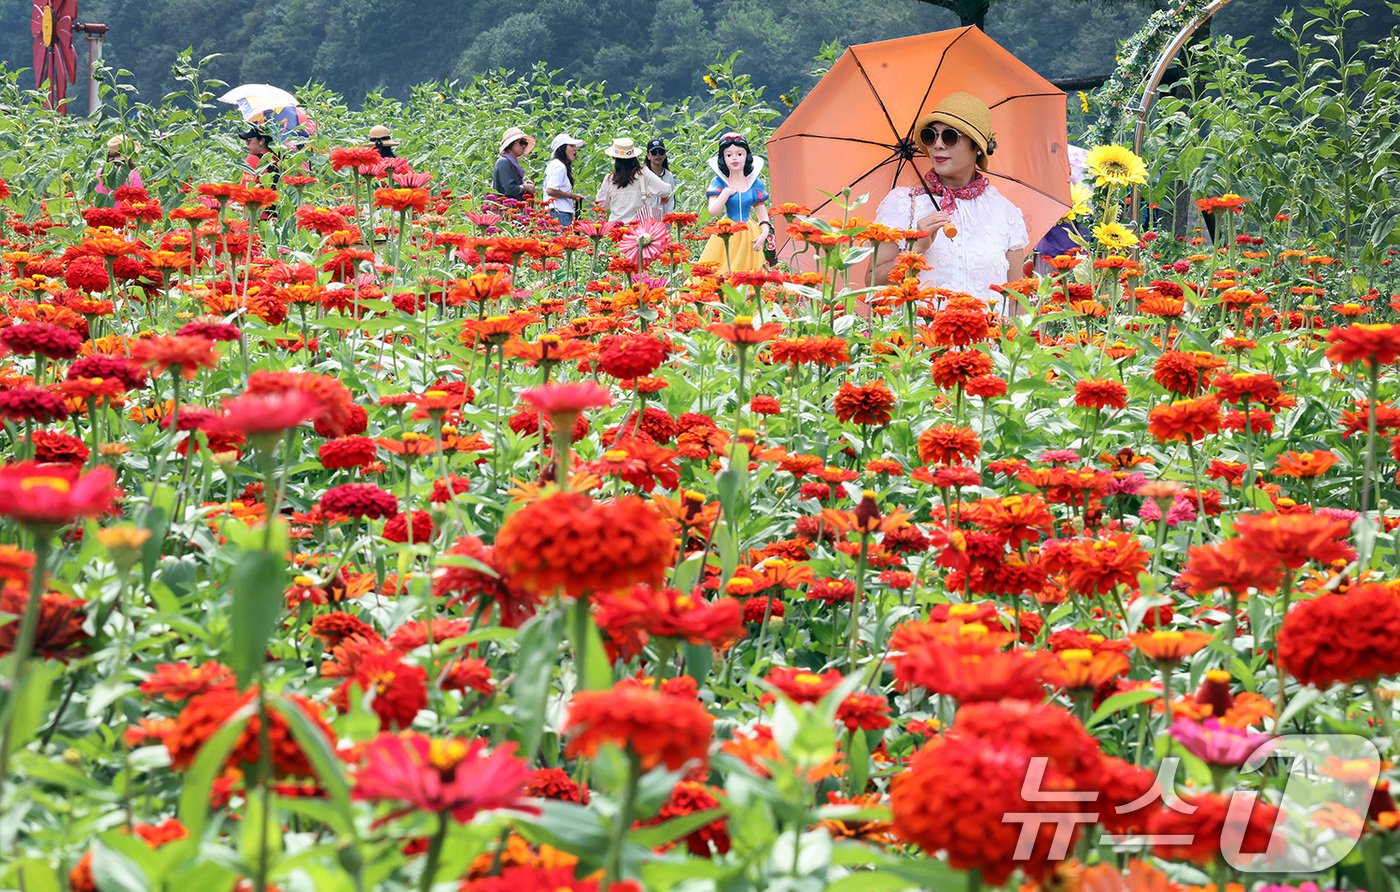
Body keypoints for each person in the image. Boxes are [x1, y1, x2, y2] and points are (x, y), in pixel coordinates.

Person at [872, 92, 1029, 310]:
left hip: (988, 342)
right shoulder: (903, 203)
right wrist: (916, 250)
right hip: (921, 342)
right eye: (930, 136)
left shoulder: (1005, 212)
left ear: (977, 146)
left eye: (949, 137)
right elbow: (873, 286)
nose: (937, 145)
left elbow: (1016, 301)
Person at [697, 132, 772, 273]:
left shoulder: (755, 183)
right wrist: (725, 193)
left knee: (751, 271)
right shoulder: (718, 182)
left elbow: (762, 215)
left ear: (746, 156)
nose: (734, 159)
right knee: (723, 269)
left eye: (739, 154)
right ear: (723, 158)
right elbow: (713, 211)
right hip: (727, 231)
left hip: (750, 232)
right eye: (729, 155)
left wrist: (764, 233)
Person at [594, 137, 673, 224]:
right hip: (638, 228)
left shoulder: (610, 179)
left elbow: (600, 204)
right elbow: (665, 190)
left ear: (615, 158)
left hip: (616, 228)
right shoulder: (643, 173)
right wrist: (664, 196)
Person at [543, 133, 587, 226]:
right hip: (560, 214)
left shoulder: (553, 164)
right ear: (561, 149)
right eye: (571, 146)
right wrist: (571, 196)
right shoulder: (559, 166)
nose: (575, 149)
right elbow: (551, 190)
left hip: (554, 213)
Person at [492, 127, 536, 203]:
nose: (524, 146)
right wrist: (525, 187)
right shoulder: (503, 162)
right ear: (510, 143)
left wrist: (524, 185)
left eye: (525, 143)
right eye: (521, 142)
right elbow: (509, 189)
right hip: (506, 211)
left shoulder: (511, 163)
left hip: (513, 210)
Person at [643, 137, 676, 217]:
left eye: (660, 152)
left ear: (664, 155)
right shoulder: (643, 174)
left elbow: (671, 199)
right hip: (648, 221)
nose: (658, 155)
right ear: (648, 156)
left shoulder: (669, 175)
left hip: (665, 220)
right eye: (654, 152)